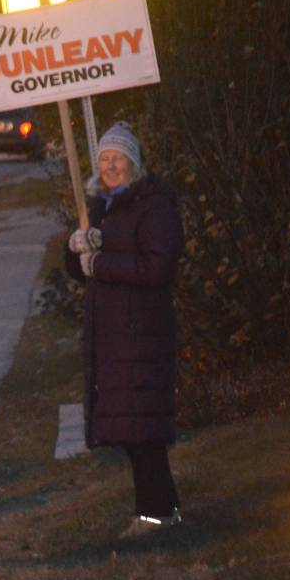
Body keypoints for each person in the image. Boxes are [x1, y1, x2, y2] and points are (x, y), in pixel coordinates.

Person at [64, 121, 185, 538]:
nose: (111, 167)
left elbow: (157, 266)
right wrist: (75, 249)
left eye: (118, 159)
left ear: (134, 163)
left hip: (141, 332)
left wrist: (102, 263)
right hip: (113, 335)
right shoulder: (101, 205)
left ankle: (157, 514)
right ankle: (157, 511)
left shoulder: (154, 205)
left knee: (143, 430)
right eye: (104, 160)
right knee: (133, 429)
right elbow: (84, 273)